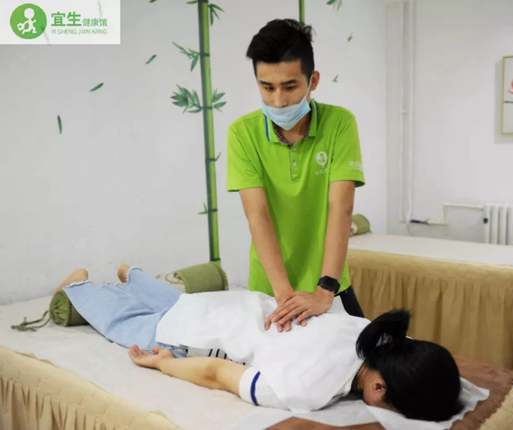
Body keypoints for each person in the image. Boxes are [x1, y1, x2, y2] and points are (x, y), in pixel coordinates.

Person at [60, 265, 463, 420]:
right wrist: (163, 363)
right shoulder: (309, 389)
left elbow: (419, 356)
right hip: (192, 338)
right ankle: (77, 286)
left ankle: (133, 275)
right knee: (126, 323)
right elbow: (216, 372)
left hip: (237, 305)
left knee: (179, 301)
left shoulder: (375, 332)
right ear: (379, 388)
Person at [227, 19, 366, 332]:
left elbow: (341, 208)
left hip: (330, 284)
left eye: (289, 87)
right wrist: (285, 297)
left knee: (368, 354)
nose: (278, 101)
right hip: (271, 288)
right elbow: (257, 215)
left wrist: (324, 291)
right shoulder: (242, 134)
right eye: (267, 87)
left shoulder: (340, 124)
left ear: (312, 81)